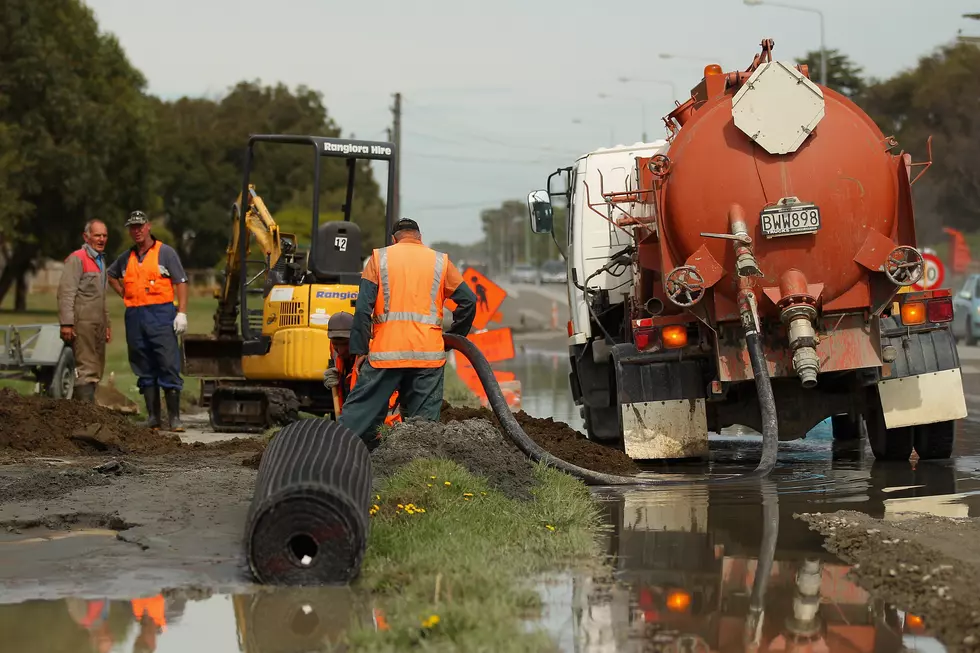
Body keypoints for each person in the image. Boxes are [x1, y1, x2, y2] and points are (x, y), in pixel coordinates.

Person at [337, 218, 477, 449]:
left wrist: (360, 350)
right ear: (420, 237)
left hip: (386, 355)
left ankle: (333, 453)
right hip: (428, 357)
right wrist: (450, 340)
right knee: (423, 431)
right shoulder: (440, 261)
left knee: (358, 417)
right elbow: (469, 302)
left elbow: (362, 309)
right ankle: (418, 471)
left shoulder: (379, 259)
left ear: (394, 239)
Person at [106, 210, 189, 432]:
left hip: (161, 315)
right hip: (135, 317)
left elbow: (181, 282)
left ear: (148, 226)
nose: (137, 231)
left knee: (168, 364)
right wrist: (124, 293)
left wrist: (181, 312)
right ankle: (153, 418)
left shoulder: (166, 253)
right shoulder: (126, 257)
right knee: (143, 366)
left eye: (140, 226)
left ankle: (174, 419)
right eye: (133, 227)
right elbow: (110, 274)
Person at [57, 219, 111, 402]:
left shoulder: (101, 261)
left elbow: (102, 297)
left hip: (99, 324)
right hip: (83, 323)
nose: (101, 239)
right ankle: (84, 416)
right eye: (97, 235)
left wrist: (107, 324)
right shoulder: (77, 258)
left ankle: (91, 413)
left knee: (97, 368)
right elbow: (66, 293)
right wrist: (66, 323)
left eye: (104, 235)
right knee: (86, 369)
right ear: (86, 237)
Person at [323, 311, 401, 426]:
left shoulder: (372, 353)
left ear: (356, 338)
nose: (340, 350)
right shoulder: (334, 347)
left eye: (345, 344)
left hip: (383, 423)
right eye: (336, 344)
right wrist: (335, 377)